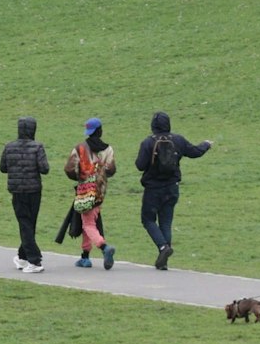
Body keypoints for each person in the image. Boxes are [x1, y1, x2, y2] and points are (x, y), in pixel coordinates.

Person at [134, 110, 212, 269]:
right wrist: (206, 144)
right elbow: (195, 152)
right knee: (166, 222)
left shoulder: (148, 143)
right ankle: (164, 262)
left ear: (153, 126)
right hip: (172, 188)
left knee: (148, 219)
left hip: (153, 189)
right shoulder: (178, 140)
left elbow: (140, 165)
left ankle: (163, 248)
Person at [65, 118, 117, 269]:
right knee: (89, 220)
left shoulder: (80, 148)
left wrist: (81, 177)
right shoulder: (108, 149)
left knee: (87, 223)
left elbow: (69, 169)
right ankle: (85, 256)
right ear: (100, 131)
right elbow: (112, 170)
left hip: (84, 191)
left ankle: (104, 247)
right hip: (100, 191)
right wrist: (99, 175)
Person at [0, 116, 50, 273]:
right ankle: (27, 257)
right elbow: (44, 169)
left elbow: (3, 168)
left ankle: (31, 259)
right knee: (30, 223)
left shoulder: (9, 147)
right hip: (34, 190)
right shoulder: (37, 147)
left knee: (25, 224)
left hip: (17, 191)